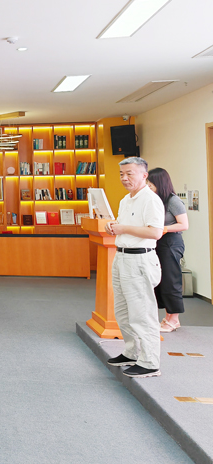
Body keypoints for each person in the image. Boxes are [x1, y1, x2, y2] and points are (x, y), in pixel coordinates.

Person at [105, 157, 165, 378]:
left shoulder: (151, 200)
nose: (124, 178)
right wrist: (113, 226)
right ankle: (132, 352)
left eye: (129, 173)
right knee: (123, 312)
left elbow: (155, 232)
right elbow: (124, 227)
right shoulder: (125, 200)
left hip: (140, 259)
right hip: (122, 257)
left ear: (144, 175)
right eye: (121, 174)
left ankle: (150, 362)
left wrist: (123, 228)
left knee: (142, 314)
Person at [147, 167, 189, 332]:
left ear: (160, 183)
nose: (148, 186)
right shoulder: (156, 200)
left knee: (171, 281)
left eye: (150, 183)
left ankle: (174, 319)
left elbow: (184, 224)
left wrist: (163, 228)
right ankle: (168, 317)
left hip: (171, 243)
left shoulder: (173, 200)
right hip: (158, 242)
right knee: (161, 281)